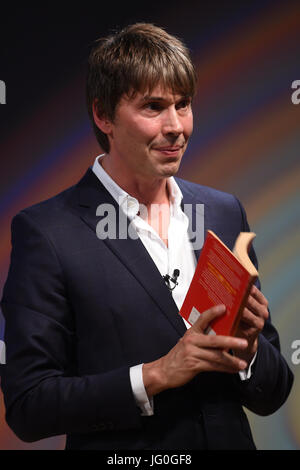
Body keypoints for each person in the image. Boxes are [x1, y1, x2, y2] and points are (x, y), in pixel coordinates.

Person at [1, 23, 293, 450]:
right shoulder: (46, 232)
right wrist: (154, 376)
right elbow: (29, 405)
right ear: (104, 115)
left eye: (184, 104)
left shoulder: (224, 211)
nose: (176, 126)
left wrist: (248, 353)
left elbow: (275, 391)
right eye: (153, 107)